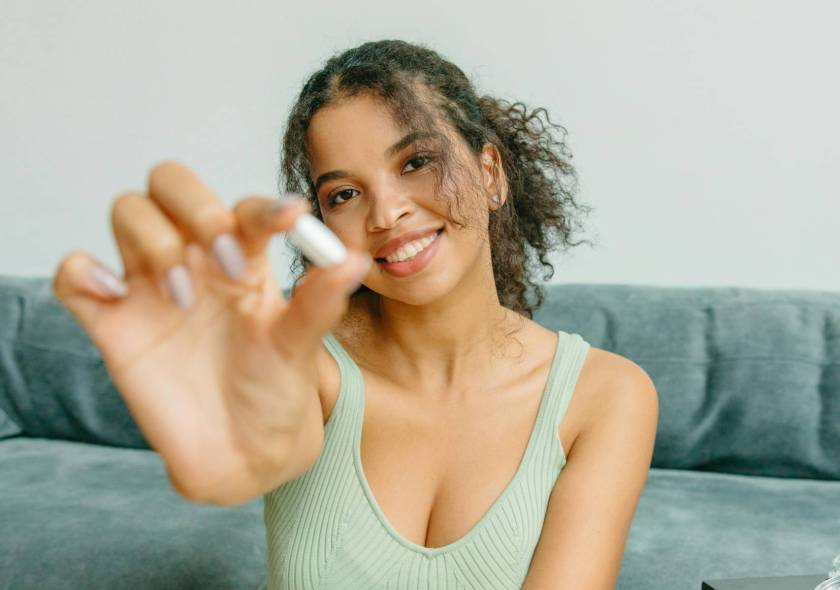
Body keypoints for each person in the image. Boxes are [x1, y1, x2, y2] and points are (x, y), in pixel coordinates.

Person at [52, 39, 658, 590]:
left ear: (490, 173)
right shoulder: (306, 364)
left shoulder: (605, 397)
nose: (385, 214)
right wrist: (233, 439)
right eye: (344, 194)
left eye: (415, 161)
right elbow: (270, 433)